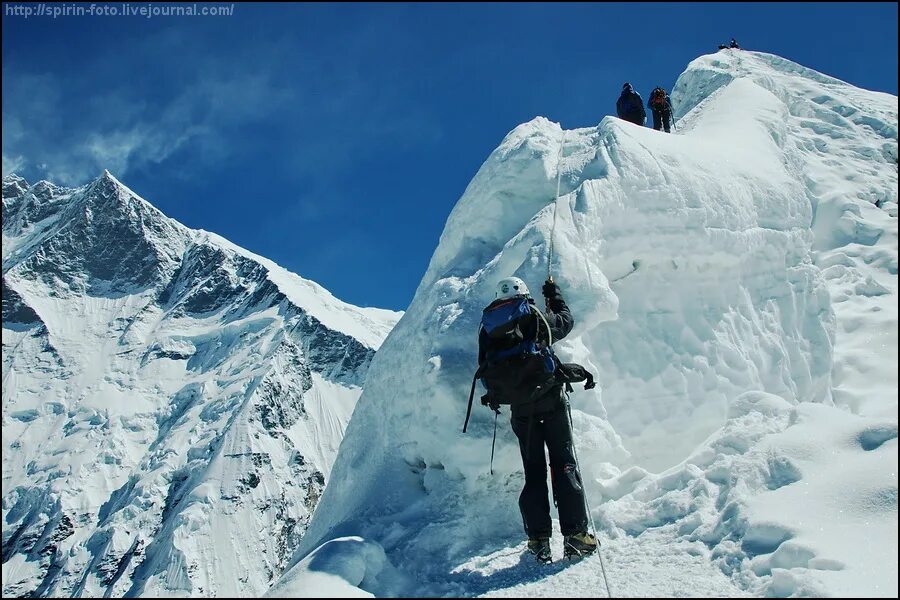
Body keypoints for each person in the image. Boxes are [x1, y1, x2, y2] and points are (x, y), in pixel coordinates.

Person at [477, 276, 598, 563]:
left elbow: (484, 365)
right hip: (550, 401)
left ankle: (538, 540)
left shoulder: (488, 327)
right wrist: (553, 294)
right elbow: (564, 323)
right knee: (564, 465)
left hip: (520, 410)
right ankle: (576, 537)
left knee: (533, 472)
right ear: (524, 294)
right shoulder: (533, 315)